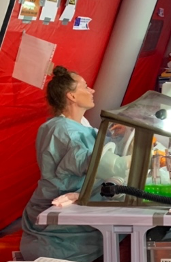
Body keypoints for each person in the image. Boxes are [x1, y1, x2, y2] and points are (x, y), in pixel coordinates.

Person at [20, 66, 129, 262]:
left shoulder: (79, 125)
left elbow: (93, 149)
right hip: (58, 232)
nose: (92, 91)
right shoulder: (61, 129)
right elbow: (93, 162)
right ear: (71, 96)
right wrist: (128, 161)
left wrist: (114, 136)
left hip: (76, 208)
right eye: (86, 87)